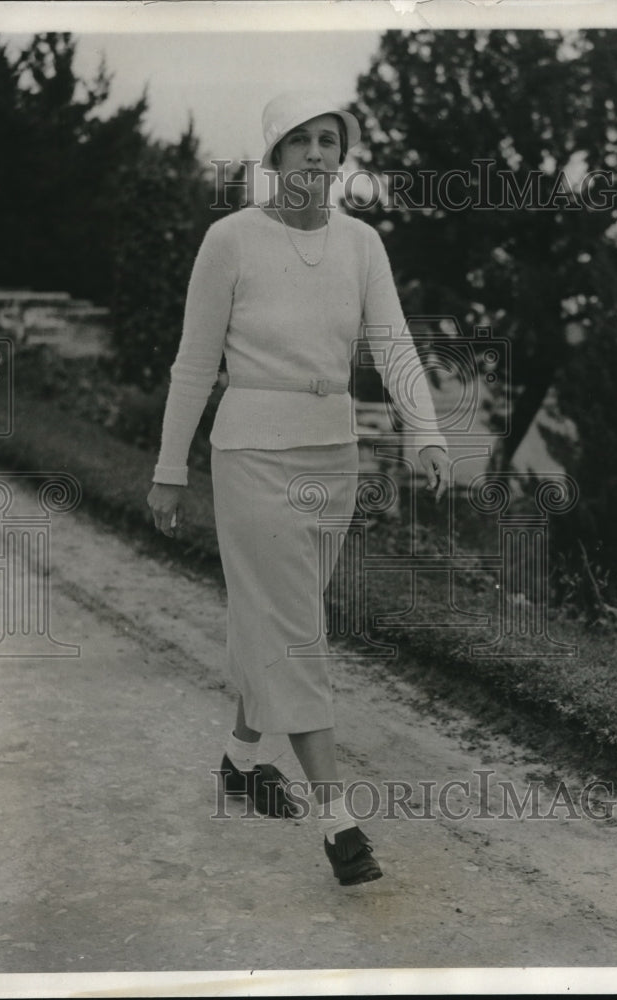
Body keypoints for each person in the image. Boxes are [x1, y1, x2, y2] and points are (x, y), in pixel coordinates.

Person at [147, 90, 450, 887]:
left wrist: (425, 429)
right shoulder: (230, 241)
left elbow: (394, 346)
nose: (317, 154)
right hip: (250, 454)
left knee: (284, 619)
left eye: (329, 140)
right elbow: (192, 363)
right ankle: (338, 822)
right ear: (273, 155)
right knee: (293, 628)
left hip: (333, 456)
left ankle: (243, 762)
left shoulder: (361, 245)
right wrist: (169, 468)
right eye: (300, 141)